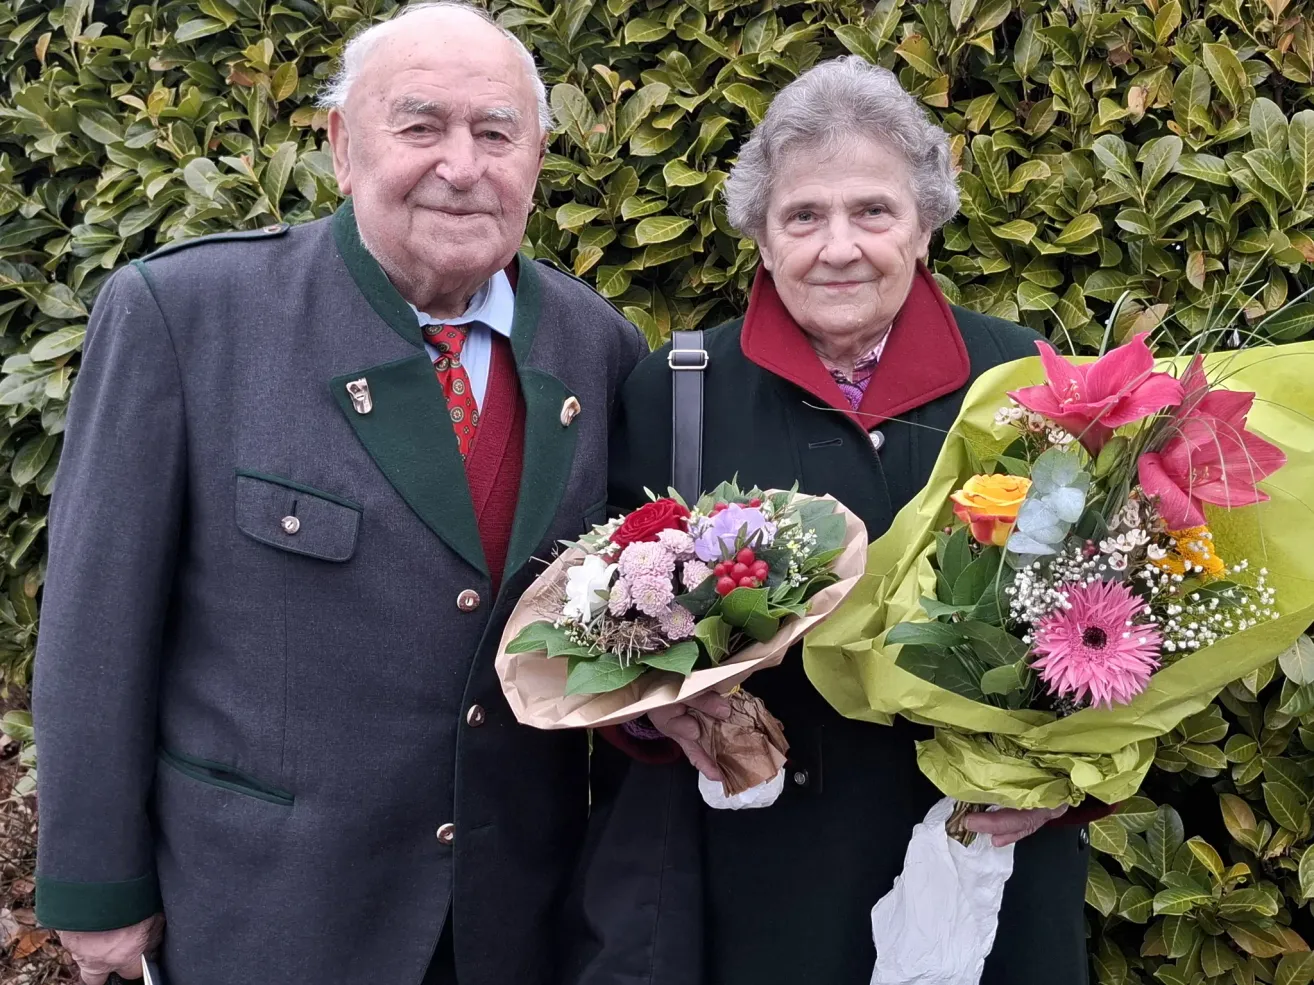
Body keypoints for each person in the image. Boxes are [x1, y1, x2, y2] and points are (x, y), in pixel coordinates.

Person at [32, 4, 645, 984]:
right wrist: (97, 883)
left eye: (497, 132)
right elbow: (95, 628)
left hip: (512, 920)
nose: (462, 164)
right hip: (269, 912)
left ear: (536, 158)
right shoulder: (188, 317)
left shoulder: (596, 347)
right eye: (420, 126)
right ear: (342, 146)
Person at [569, 56, 1099, 985]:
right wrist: (668, 716)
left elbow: (1112, 620)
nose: (837, 245)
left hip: (983, 863)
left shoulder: (1024, 378)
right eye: (803, 216)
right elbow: (609, 626)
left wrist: (1062, 782)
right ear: (762, 242)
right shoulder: (680, 388)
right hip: (765, 878)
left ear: (926, 224)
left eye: (873, 211)